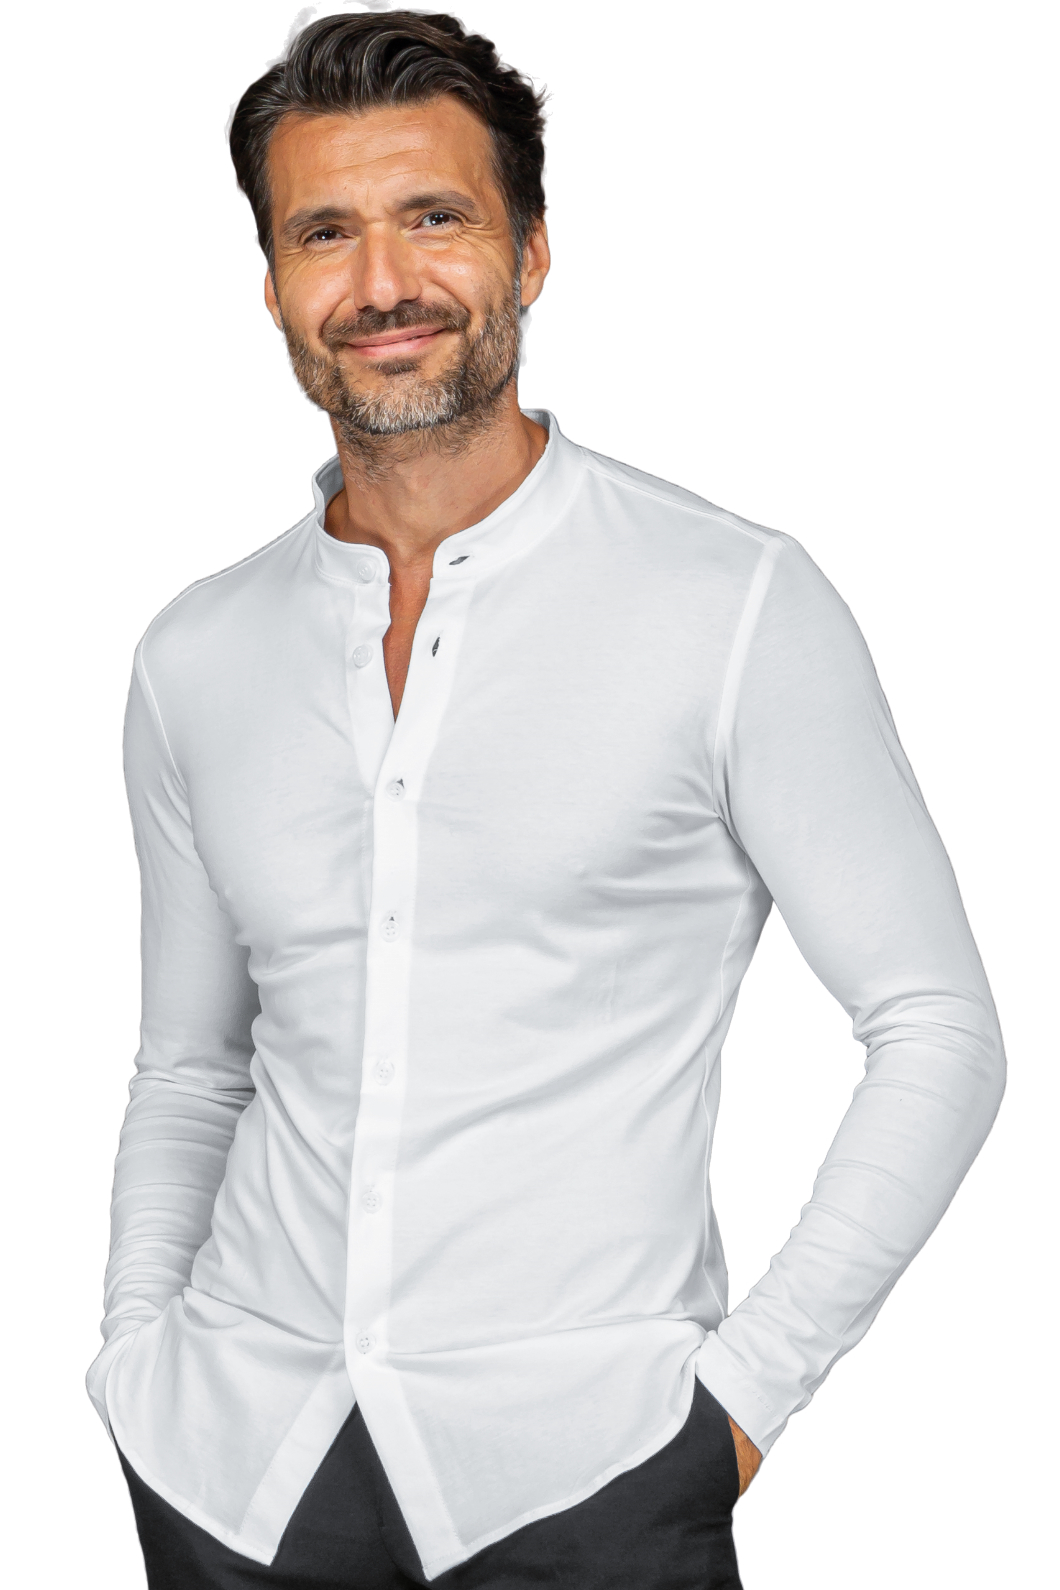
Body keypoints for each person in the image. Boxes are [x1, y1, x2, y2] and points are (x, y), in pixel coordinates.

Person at [87, 11, 1005, 1589]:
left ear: (530, 252)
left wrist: (741, 1405)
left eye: (435, 216)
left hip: (587, 1479)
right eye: (325, 231)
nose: (383, 281)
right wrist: (136, 1355)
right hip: (233, 1476)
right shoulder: (195, 655)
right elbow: (190, 1062)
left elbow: (938, 1027)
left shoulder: (732, 603)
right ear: (274, 283)